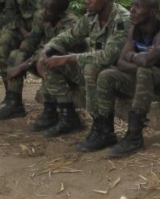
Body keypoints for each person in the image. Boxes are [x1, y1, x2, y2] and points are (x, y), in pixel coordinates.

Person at [80, 0, 160, 157]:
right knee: (107, 75)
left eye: (138, 7)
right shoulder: (135, 28)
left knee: (146, 71)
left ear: (153, 12)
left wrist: (134, 57)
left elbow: (146, 62)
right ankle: (104, 131)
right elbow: (121, 62)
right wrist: (137, 57)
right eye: (132, 5)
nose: (132, 10)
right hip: (150, 81)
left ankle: (134, 136)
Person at [36, 0, 129, 137]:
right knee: (50, 63)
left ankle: (102, 130)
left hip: (118, 78)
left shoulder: (123, 19)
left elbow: (107, 56)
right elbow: (69, 36)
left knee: (91, 68)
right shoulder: (91, 16)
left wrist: (68, 58)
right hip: (95, 72)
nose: (87, 1)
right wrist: (45, 51)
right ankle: (68, 117)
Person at [0, 0, 75, 124]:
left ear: (59, 13)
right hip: (44, 58)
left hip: (68, 65)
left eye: (48, 10)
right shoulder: (41, 16)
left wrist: (22, 66)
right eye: (44, 8)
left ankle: (51, 111)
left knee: (48, 62)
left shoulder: (69, 24)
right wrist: (22, 53)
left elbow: (53, 51)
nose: (44, 12)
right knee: (16, 55)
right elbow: (32, 39)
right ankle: (14, 103)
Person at [0, 0, 34, 119]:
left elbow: (54, 10)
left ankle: (54, 107)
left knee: (17, 55)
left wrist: (33, 38)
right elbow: (12, 13)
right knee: (5, 42)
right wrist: (24, 32)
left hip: (44, 29)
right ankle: (12, 97)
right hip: (22, 28)